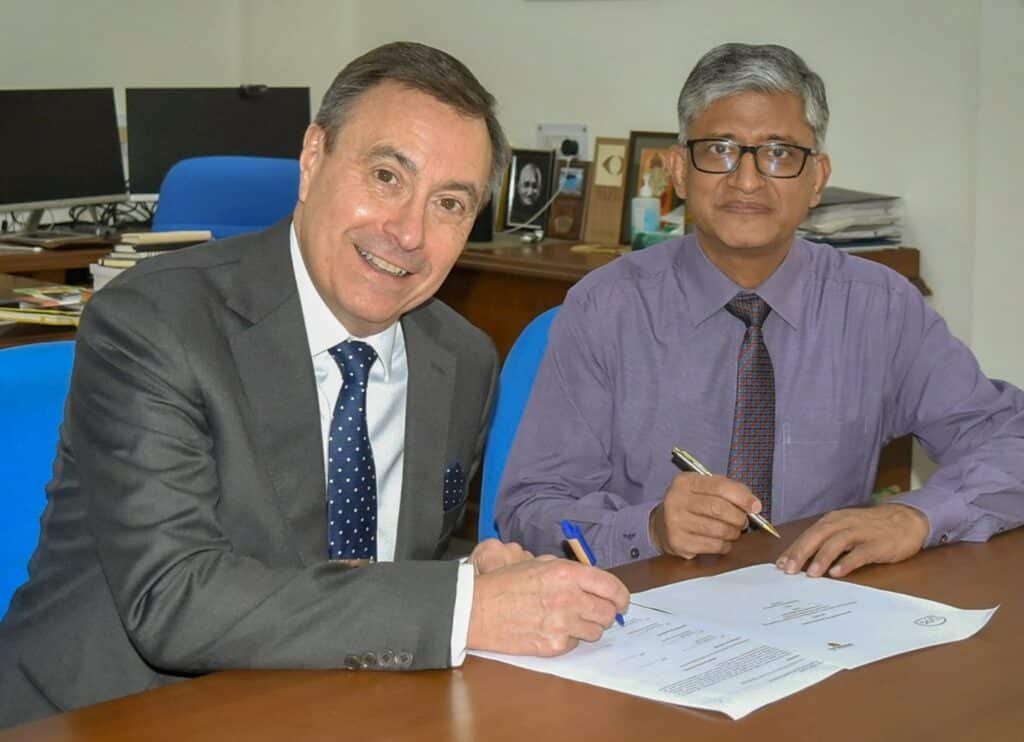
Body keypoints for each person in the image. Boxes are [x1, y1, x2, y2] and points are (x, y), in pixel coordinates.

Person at [0, 42, 628, 728]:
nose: (408, 232)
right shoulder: (155, 322)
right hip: (116, 714)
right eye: (387, 176)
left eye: (449, 203)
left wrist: (475, 569)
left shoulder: (463, 359)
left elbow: (392, 553)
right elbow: (173, 597)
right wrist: (462, 605)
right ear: (312, 159)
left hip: (336, 706)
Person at [496, 43, 1024, 577]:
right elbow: (530, 510)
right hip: (644, 616)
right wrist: (650, 527)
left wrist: (917, 516)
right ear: (679, 171)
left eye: (779, 153)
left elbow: (1011, 440)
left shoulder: (880, 308)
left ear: (816, 179)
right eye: (720, 149)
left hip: (823, 613)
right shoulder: (604, 309)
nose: (747, 181)